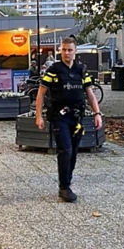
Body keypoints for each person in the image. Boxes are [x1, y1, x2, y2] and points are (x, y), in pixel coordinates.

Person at [35, 37, 103, 202]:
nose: (66, 53)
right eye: (64, 50)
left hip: (77, 117)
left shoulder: (81, 70)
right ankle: (64, 187)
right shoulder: (54, 70)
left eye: (70, 50)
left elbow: (90, 94)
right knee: (65, 149)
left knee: (73, 151)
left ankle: (67, 181)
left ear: (75, 51)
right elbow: (41, 93)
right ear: (60, 51)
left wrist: (97, 113)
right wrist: (38, 116)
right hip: (59, 117)